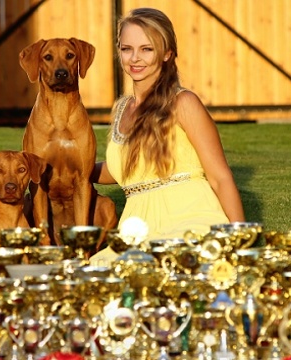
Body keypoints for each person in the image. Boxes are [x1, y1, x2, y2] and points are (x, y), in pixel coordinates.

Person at [93, 7, 245, 240]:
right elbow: (124, 171)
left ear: (166, 53)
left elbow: (220, 177)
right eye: (127, 49)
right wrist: (67, 168)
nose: (135, 58)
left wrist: (241, 240)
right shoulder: (122, 109)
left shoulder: (183, 102)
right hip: (137, 227)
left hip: (190, 217)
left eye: (146, 49)